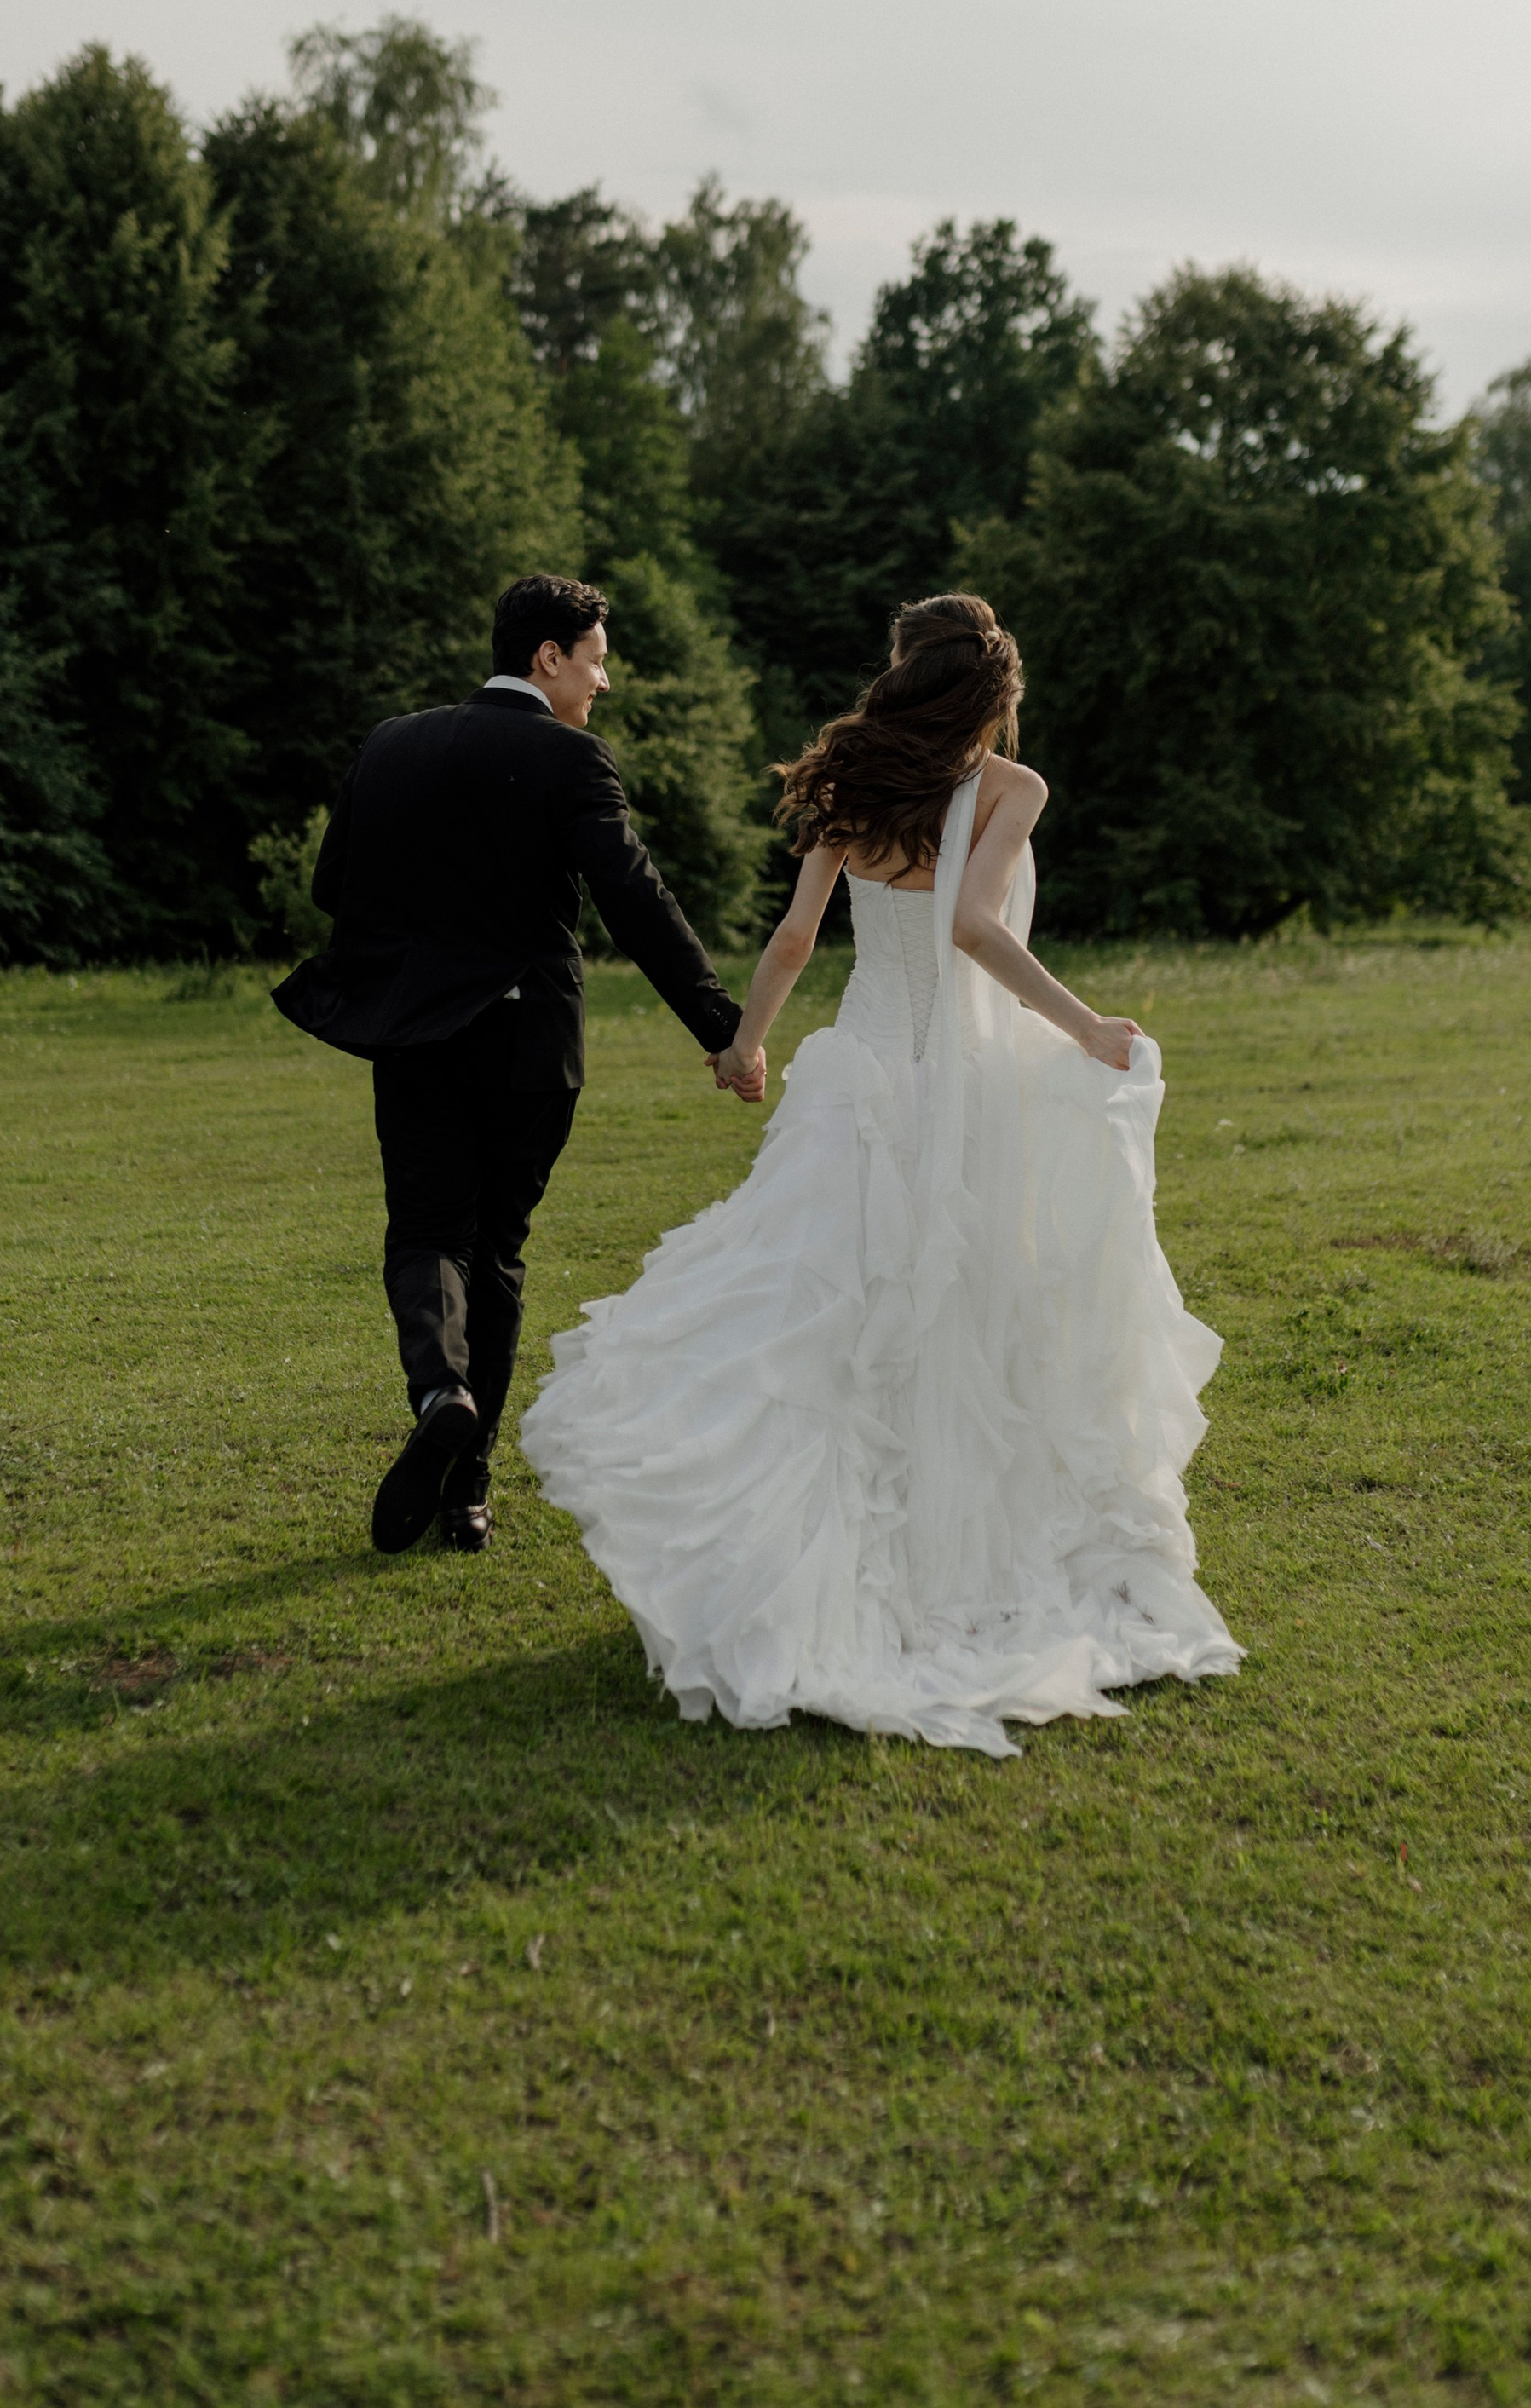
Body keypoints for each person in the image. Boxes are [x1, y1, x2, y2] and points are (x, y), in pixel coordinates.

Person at [522, 593, 1243, 1758]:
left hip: (858, 1081)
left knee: (828, 1333)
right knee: (959, 1323)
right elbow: (972, 927)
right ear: (993, 691)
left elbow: (799, 937)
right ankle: (935, 1571)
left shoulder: (847, 778)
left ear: (906, 673)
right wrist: (1082, 1027)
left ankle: (803, 1574)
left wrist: (745, 1043)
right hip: (963, 1093)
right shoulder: (1012, 788)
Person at [273, 573, 761, 1556]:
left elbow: (334, 883)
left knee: (424, 1231)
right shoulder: (567, 755)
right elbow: (635, 898)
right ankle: (468, 1490)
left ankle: (439, 1391)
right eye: (596, 659)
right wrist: (722, 1025)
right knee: (494, 1247)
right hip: (527, 1038)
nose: (604, 682)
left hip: (415, 1033)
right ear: (548, 657)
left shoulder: (391, 743)